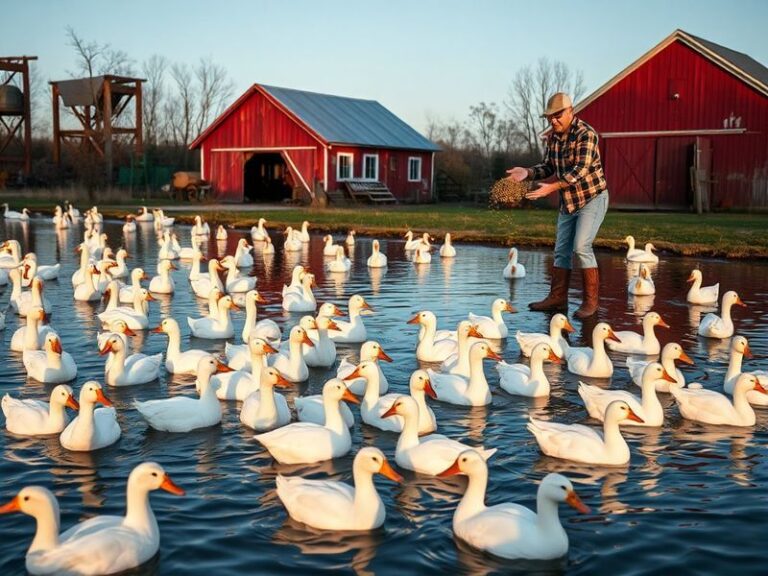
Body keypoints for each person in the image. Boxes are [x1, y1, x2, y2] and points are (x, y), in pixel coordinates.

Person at [507, 92, 609, 319]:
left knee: (581, 247)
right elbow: (548, 167)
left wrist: (551, 188)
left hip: (592, 197)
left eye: (558, 115)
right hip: (569, 201)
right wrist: (527, 173)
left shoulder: (586, 135)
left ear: (571, 111)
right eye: (549, 117)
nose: (553, 120)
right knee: (561, 250)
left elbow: (580, 172)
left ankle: (591, 303)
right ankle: (558, 298)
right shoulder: (553, 138)